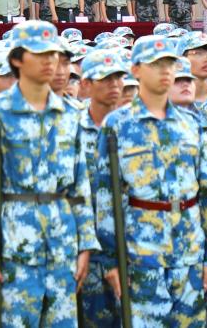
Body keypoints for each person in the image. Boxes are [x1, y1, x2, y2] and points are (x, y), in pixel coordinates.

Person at [0, 22, 98, 327]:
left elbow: (79, 185)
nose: (49, 62)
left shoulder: (70, 114)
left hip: (61, 241)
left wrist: (85, 242)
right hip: (12, 242)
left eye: (53, 54)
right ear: (17, 60)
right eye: (39, 54)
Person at [94, 36, 207, 326]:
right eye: (156, 64)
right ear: (136, 69)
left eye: (170, 64)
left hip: (189, 248)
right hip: (141, 251)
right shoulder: (118, 124)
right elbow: (106, 195)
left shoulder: (191, 124)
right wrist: (111, 260)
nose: (165, 71)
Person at [76, 49, 130, 328]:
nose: (114, 85)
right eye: (105, 79)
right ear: (85, 84)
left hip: (130, 244)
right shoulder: (71, 127)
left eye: (118, 78)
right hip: (84, 247)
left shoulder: (134, 128)